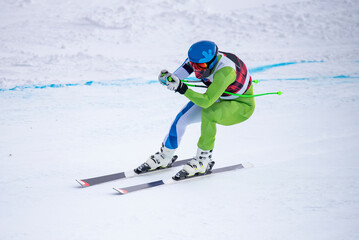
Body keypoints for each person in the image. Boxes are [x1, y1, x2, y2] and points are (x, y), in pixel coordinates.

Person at [135, 40, 255, 180]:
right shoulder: (196, 61)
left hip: (240, 106)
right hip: (218, 97)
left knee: (210, 113)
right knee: (182, 119)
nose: (197, 69)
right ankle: (165, 156)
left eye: (201, 65)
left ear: (212, 61)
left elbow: (206, 102)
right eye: (193, 65)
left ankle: (203, 160)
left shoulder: (225, 71)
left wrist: (182, 88)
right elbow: (177, 77)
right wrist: (166, 78)